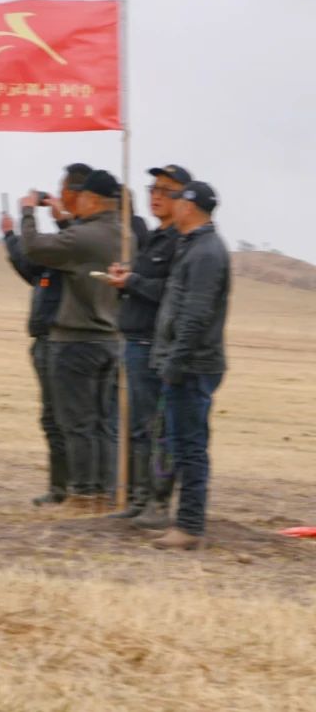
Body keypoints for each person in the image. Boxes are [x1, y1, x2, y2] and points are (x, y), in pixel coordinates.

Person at [19, 169, 122, 513]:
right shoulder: (124, 235)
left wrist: (28, 212)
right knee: (102, 424)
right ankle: (102, 495)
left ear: (90, 199)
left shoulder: (85, 236)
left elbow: (34, 248)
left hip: (76, 338)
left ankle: (81, 495)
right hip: (111, 339)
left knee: (76, 423)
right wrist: (65, 221)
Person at [103, 164, 192, 523]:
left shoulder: (180, 243)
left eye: (166, 191)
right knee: (139, 427)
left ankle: (158, 503)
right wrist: (126, 279)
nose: (156, 196)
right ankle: (139, 499)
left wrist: (133, 282)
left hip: (155, 344)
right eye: (153, 189)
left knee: (158, 428)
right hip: (135, 341)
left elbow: (171, 293)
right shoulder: (155, 237)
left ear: (185, 198)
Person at [0, 162, 92, 506]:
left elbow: (42, 251)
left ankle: (80, 489)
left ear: (77, 193)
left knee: (69, 418)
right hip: (45, 337)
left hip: (64, 338)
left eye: (63, 190)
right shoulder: (66, 238)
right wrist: (10, 236)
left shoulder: (81, 236)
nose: (58, 197)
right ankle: (60, 489)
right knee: (52, 418)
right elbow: (33, 268)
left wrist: (34, 216)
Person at [148, 181, 231, 550]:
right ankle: (185, 522)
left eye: (177, 199)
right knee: (183, 444)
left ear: (189, 207)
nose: (171, 203)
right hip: (187, 361)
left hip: (192, 364)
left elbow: (195, 317)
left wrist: (175, 363)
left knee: (189, 447)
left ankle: (190, 526)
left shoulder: (206, 253)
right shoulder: (194, 246)